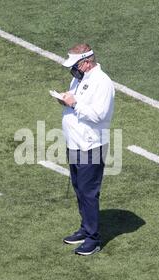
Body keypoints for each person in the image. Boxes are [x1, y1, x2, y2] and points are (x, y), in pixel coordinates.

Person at [59, 43, 115, 256]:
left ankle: (93, 238)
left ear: (87, 62)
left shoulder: (103, 83)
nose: (72, 69)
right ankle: (85, 229)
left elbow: (99, 115)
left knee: (89, 192)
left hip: (91, 145)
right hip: (75, 143)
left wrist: (73, 104)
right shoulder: (79, 78)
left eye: (75, 65)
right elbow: (77, 103)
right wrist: (65, 101)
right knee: (79, 188)